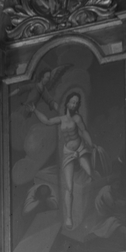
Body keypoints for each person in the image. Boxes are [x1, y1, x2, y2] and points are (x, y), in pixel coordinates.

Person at [31, 92, 95, 228]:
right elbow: (47, 121)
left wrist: (91, 144)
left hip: (80, 149)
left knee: (91, 174)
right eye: (72, 102)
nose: (74, 105)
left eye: (76, 103)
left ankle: (91, 208)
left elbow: (84, 131)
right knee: (69, 187)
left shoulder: (77, 118)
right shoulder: (61, 119)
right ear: (67, 103)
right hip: (68, 153)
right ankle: (69, 218)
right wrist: (35, 110)